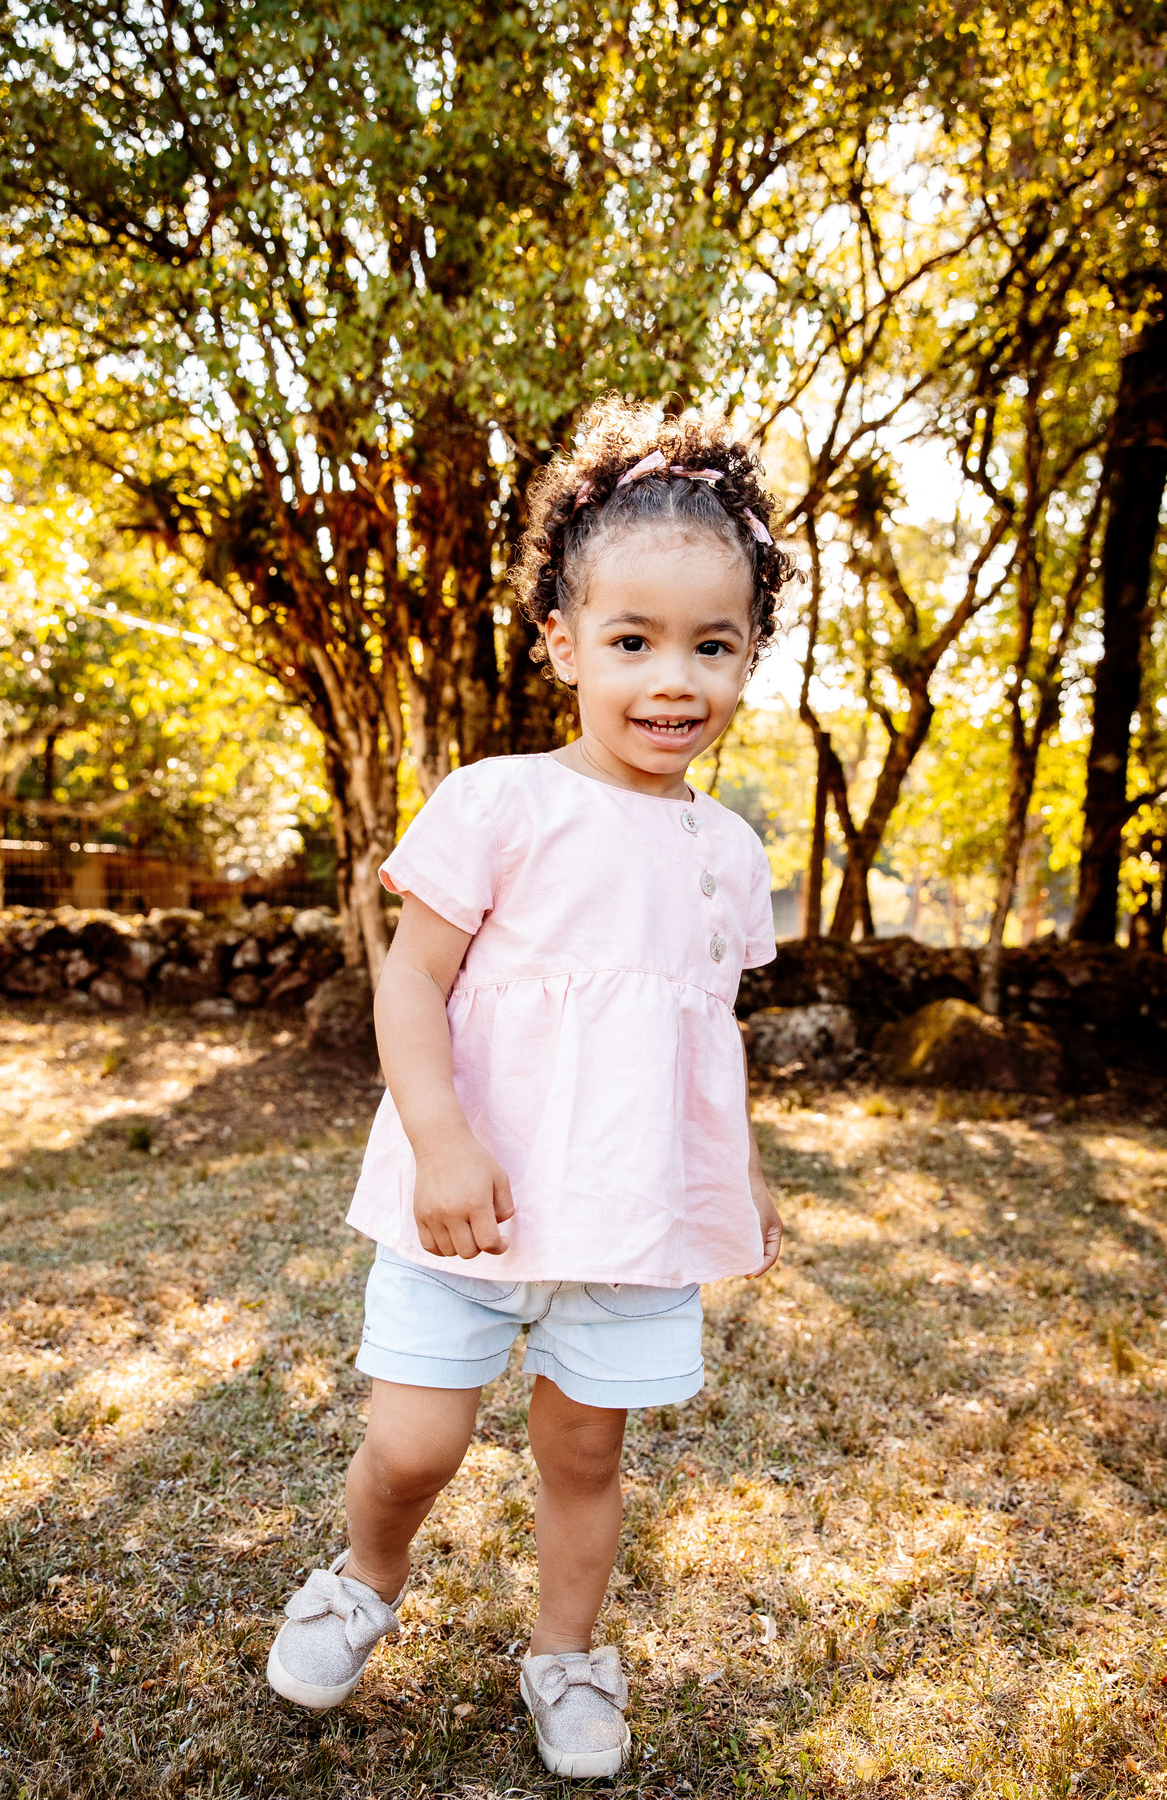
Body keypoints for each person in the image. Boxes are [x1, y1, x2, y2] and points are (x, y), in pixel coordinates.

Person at [265, 397, 792, 1779]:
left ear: (748, 659)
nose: (672, 679)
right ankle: (363, 1580)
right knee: (414, 1441)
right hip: (470, 1210)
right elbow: (410, 984)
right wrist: (439, 1141)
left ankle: (567, 1656)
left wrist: (738, 1173)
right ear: (563, 642)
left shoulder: (729, 852)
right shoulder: (498, 803)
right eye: (632, 642)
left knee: (583, 1459)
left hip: (625, 1225)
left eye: (711, 646)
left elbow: (705, 1026)